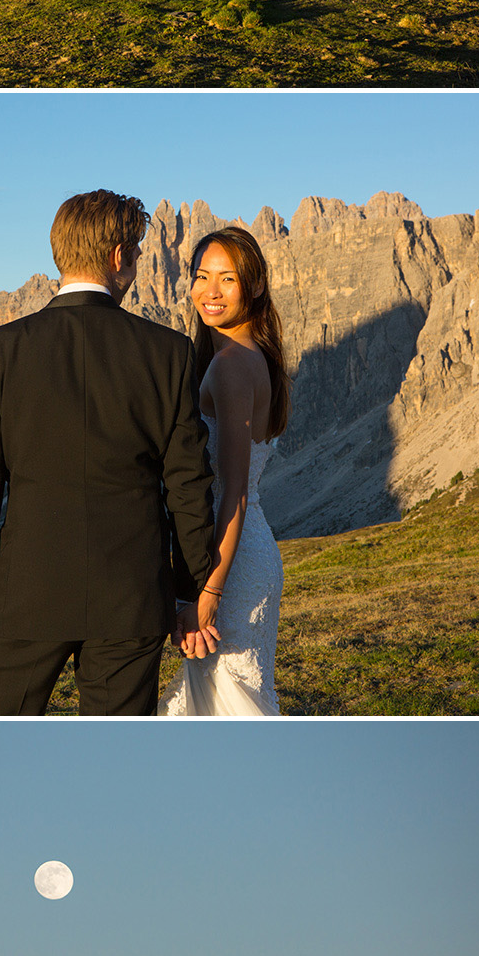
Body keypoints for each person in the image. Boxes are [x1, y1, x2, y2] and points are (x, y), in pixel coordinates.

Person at [0, 189, 216, 714]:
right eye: (136, 251)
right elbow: (188, 484)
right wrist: (190, 591)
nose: (136, 264)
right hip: (131, 600)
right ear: (117, 257)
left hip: (24, 599)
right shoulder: (169, 353)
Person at [159, 225, 289, 717]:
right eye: (201, 276)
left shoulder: (232, 364)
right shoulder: (251, 353)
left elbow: (232, 492)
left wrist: (207, 591)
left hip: (228, 565)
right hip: (241, 551)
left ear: (254, 286)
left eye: (227, 279)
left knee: (228, 708)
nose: (209, 292)